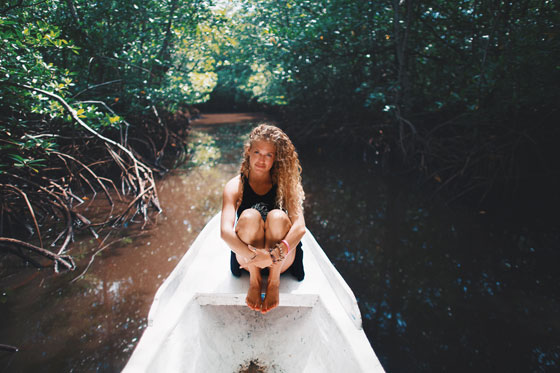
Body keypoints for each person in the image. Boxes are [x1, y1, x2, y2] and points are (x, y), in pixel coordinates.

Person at [220, 124, 306, 314]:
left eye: (269, 154)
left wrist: (271, 256)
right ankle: (255, 280)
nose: (261, 159)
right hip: (248, 261)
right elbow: (225, 232)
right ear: (248, 151)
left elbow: (300, 227)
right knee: (250, 216)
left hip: (282, 260)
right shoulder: (235, 186)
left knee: (277, 216)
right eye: (257, 152)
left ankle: (273, 282)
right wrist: (256, 257)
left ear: (276, 158)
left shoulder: (285, 185)